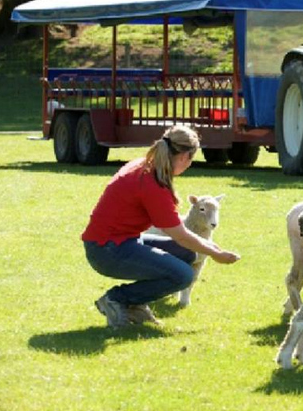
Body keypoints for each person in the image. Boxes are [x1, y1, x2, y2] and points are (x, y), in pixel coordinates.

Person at [82, 125, 240, 328]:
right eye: (191, 159)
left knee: (188, 254)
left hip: (121, 241)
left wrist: (213, 248)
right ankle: (117, 299)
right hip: (107, 249)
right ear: (184, 157)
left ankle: (135, 305)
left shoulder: (146, 166)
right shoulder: (152, 182)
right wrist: (215, 254)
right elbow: (180, 235)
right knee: (183, 275)